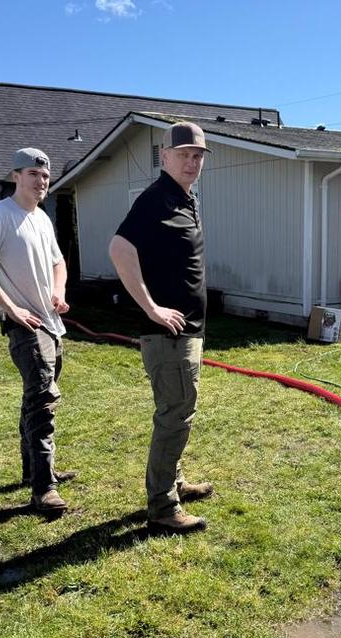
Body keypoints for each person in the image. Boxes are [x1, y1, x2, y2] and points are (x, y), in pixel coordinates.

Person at [108, 121, 213, 533]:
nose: (192, 161)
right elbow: (120, 249)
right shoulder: (157, 199)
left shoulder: (184, 198)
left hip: (188, 331)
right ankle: (163, 507)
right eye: (184, 154)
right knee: (175, 415)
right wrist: (151, 308)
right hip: (169, 335)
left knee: (178, 411)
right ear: (164, 156)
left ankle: (175, 483)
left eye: (198, 155)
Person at [0, 147, 75, 513]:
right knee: (43, 401)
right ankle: (43, 489)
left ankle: (35, 472)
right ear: (15, 176)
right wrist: (10, 307)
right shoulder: (0, 215)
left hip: (50, 322)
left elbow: (59, 263)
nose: (41, 181)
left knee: (35, 398)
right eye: (33, 174)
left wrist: (58, 293)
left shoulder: (41, 218)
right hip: (24, 325)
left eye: (45, 176)